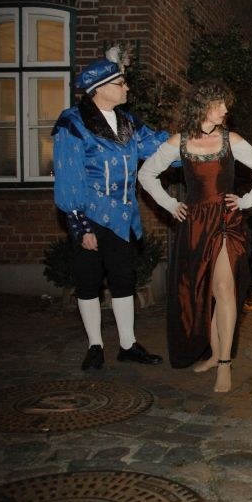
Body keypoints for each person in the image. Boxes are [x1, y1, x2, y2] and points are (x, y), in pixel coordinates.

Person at [139, 80, 252, 392]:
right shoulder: (179, 142)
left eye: (226, 104)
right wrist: (170, 204)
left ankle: (224, 364)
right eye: (220, 103)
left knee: (224, 288)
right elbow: (146, 174)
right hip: (195, 225)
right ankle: (215, 354)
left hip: (226, 221)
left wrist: (246, 202)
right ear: (203, 106)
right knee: (205, 292)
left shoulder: (231, 140)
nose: (226, 109)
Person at [53, 52, 168, 371]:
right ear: (99, 89)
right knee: (88, 281)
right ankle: (95, 345)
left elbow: (157, 147)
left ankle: (128, 345)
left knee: (123, 279)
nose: (126, 87)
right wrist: (80, 226)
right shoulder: (72, 122)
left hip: (123, 217)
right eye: (120, 83)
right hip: (90, 216)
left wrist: (191, 144)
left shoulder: (128, 122)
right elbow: (68, 175)